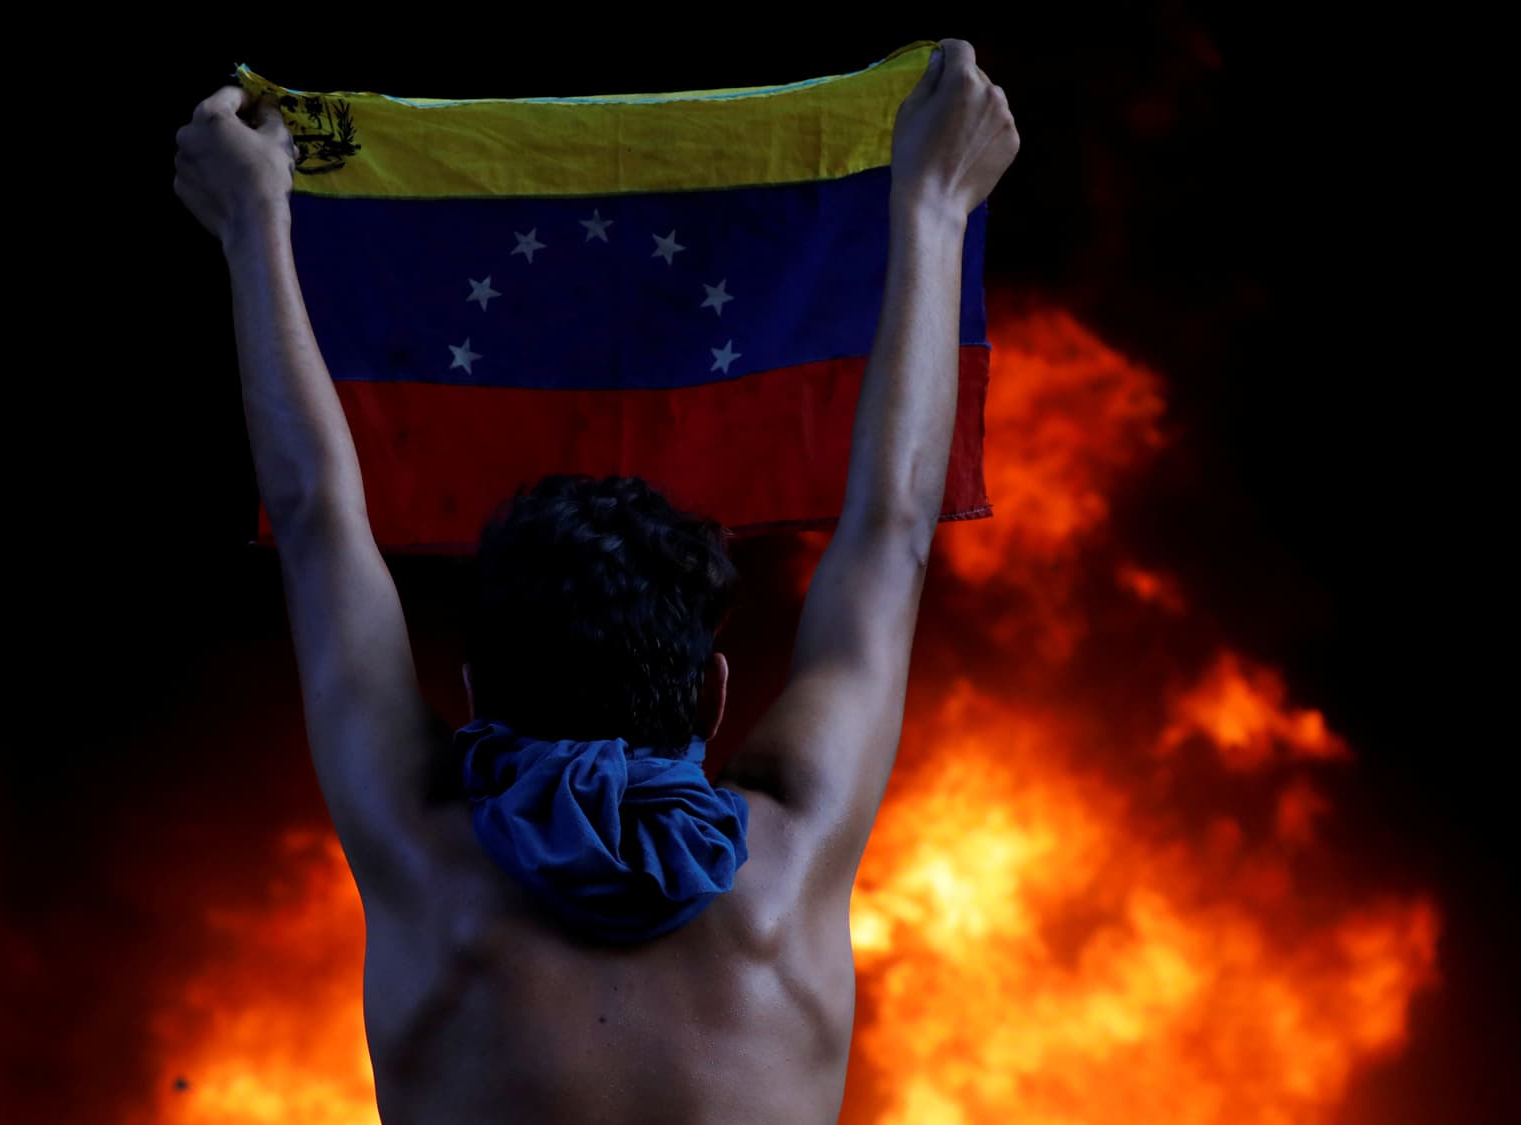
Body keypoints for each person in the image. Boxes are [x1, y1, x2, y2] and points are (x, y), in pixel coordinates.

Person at [174, 37, 1018, 1124]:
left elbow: (314, 515)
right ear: (711, 694)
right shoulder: (791, 852)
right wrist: (933, 209)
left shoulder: (424, 857)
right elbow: (893, 527)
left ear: (473, 695)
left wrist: (254, 228)